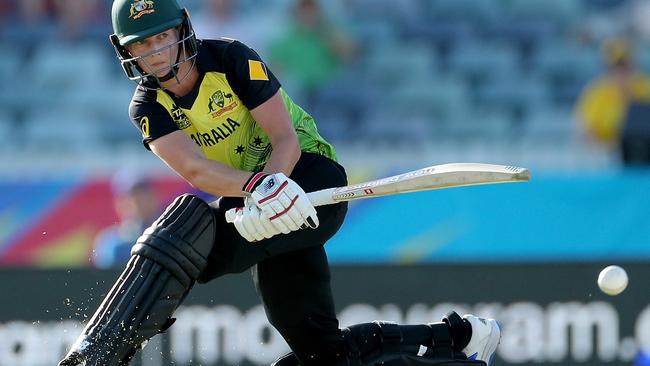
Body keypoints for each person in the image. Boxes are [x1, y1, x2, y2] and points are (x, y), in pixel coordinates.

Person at [58, 1, 501, 365]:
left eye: (162, 38)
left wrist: (271, 185)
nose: (157, 53)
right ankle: (458, 339)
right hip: (257, 202)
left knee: (183, 237)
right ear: (128, 52)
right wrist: (257, 190)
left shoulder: (231, 57)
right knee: (318, 355)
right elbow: (195, 171)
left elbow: (284, 137)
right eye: (144, 45)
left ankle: (100, 354)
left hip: (311, 182)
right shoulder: (147, 108)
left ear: (181, 31)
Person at [574, 38, 650, 149]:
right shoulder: (596, 92)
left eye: (626, 65)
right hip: (608, 155)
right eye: (617, 66)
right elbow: (584, 132)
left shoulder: (645, 87)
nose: (622, 72)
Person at [92, 173, 161, 268]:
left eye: (145, 195)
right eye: (134, 197)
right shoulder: (109, 242)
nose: (141, 202)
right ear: (120, 203)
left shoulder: (166, 235)